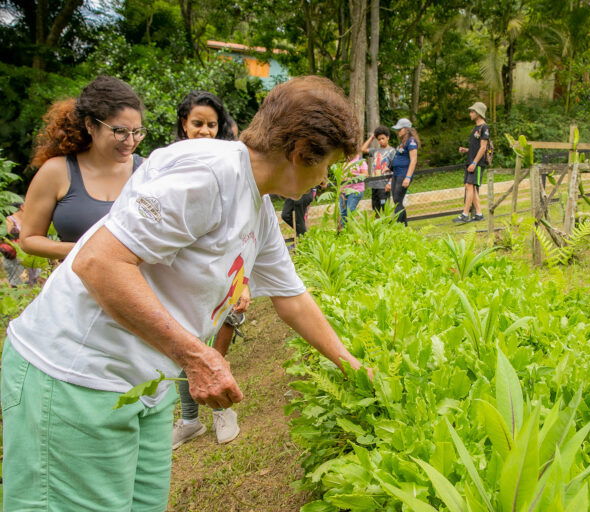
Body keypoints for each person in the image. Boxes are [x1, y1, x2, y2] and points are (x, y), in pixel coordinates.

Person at [2, 76, 368, 511]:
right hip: (75, 376)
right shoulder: (209, 176)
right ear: (297, 152)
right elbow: (98, 262)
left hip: (142, 384)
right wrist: (198, 357)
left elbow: (291, 298)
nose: (325, 178)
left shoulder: (256, 200)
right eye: (325, 165)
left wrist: (352, 366)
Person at [171, 90, 247, 448]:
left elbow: (244, 231)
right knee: (186, 349)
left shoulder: (233, 166)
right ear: (184, 125)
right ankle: (189, 420)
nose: (204, 130)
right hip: (185, 274)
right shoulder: (170, 165)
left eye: (211, 125)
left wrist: (243, 282)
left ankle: (221, 411)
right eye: (197, 123)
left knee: (219, 339)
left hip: (226, 273)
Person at [19, 76, 146, 260]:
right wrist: (85, 249)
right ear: (90, 125)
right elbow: (29, 239)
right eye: (120, 131)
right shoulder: (57, 171)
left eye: (137, 132)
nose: (131, 141)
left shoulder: (147, 170)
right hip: (74, 286)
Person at [454, 102, 489, 223]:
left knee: (469, 186)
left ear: (479, 113)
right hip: (471, 161)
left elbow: (483, 148)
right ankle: (479, 214)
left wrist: (474, 163)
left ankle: (464, 214)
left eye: (472, 112)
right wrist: (467, 150)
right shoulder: (475, 128)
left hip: (477, 163)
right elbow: (476, 147)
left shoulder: (484, 127)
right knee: (471, 188)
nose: (470, 114)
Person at [388, 118, 419, 225]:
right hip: (396, 174)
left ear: (406, 129)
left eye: (399, 129)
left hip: (403, 175)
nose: (398, 132)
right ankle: (403, 225)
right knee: (397, 201)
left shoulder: (411, 141)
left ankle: (398, 224)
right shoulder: (402, 142)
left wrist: (408, 177)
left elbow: (413, 160)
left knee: (397, 200)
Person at [362, 126, 396, 214]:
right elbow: (363, 149)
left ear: (388, 137)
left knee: (384, 209)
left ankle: (387, 226)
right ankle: (379, 227)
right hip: (374, 185)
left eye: (383, 138)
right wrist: (372, 137)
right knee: (375, 210)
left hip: (384, 185)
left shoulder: (392, 151)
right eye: (379, 139)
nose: (381, 141)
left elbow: (395, 168)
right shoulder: (375, 151)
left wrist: (389, 183)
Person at [339, 153, 369, 227]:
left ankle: (349, 230)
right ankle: (342, 231)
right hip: (343, 191)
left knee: (350, 211)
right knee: (342, 212)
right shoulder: (344, 162)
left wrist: (354, 175)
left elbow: (366, 175)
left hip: (355, 190)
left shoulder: (360, 161)